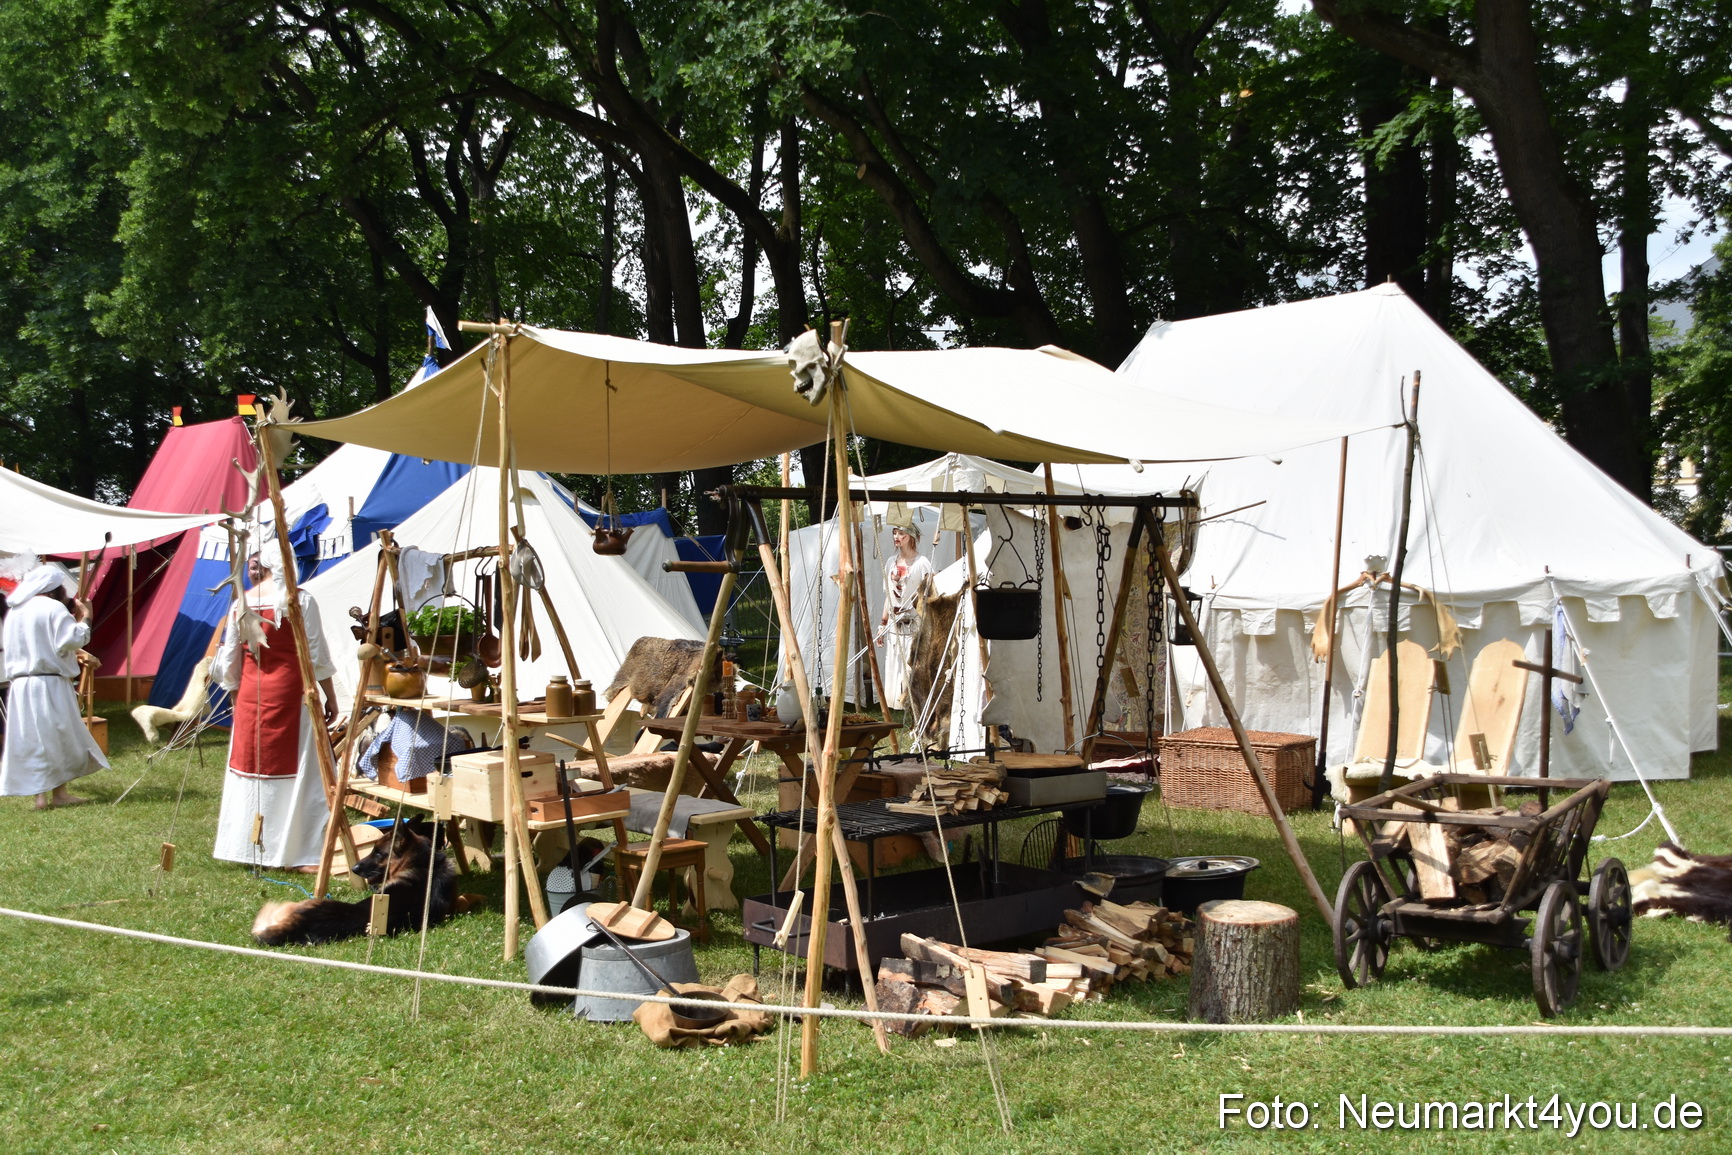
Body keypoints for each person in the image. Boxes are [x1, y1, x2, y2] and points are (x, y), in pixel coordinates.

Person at [212, 549, 338, 872]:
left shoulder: (242, 602)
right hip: (290, 694)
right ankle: (294, 851)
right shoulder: (300, 600)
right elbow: (314, 654)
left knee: (253, 770)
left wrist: (235, 694)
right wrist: (330, 696)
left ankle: (248, 846)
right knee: (297, 771)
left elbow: (229, 662)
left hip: (251, 697)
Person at [1, 563, 108, 808]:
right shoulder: (52, 607)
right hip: (47, 684)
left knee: (35, 740)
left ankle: (42, 796)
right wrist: (86, 617)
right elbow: (72, 640)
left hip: (21, 686)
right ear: (53, 589)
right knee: (56, 738)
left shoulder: (16, 612)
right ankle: (58, 795)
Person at [876, 523, 935, 711]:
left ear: (909, 537)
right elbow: (888, 596)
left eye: (901, 533)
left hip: (914, 623)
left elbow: (931, 595)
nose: (896, 537)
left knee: (913, 665)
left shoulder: (922, 563)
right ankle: (898, 705)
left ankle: (916, 705)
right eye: (894, 533)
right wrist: (882, 624)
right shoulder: (891, 563)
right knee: (896, 663)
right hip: (895, 624)